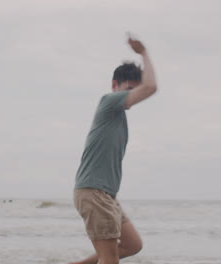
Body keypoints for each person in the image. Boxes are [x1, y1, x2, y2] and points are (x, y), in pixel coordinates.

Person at [70, 34, 157, 264]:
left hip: (106, 195)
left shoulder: (118, 117)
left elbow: (146, 88)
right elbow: (150, 87)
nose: (132, 95)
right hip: (94, 192)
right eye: (128, 89)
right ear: (114, 86)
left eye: (133, 90)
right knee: (109, 259)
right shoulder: (109, 102)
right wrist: (144, 52)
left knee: (132, 245)